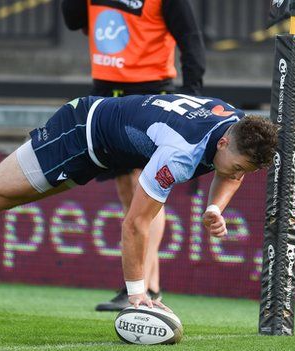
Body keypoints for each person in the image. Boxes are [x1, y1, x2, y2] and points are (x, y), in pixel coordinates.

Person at [0, 93, 278, 318]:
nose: (238, 174)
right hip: (82, 134)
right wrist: (137, 295)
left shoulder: (238, 125)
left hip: (104, 143)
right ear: (224, 141)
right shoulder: (181, 154)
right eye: (237, 164)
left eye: (246, 171)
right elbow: (135, 226)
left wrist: (216, 208)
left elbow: (231, 170)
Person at [61, 0, 207, 310]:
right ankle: (143, 284)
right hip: (105, 92)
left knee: (146, 186)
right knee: (127, 190)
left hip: (150, 92)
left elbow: (190, 38)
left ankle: (147, 287)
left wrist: (191, 95)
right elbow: (73, 20)